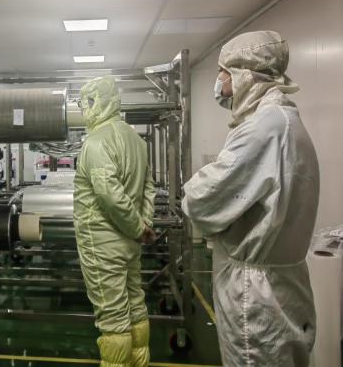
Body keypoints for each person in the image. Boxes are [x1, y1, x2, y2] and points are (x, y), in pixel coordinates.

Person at [182, 31, 320, 367]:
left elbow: (201, 200)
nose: (219, 82)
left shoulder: (264, 128)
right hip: (278, 286)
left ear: (245, 75)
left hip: (257, 298)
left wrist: (193, 187)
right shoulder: (284, 120)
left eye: (223, 72)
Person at [73, 75, 156, 367]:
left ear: (101, 102)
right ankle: (139, 361)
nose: (84, 109)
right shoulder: (136, 140)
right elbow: (148, 187)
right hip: (130, 243)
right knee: (135, 304)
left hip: (102, 243)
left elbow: (109, 195)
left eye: (88, 102)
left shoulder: (96, 142)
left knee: (113, 318)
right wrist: (143, 225)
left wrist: (137, 227)